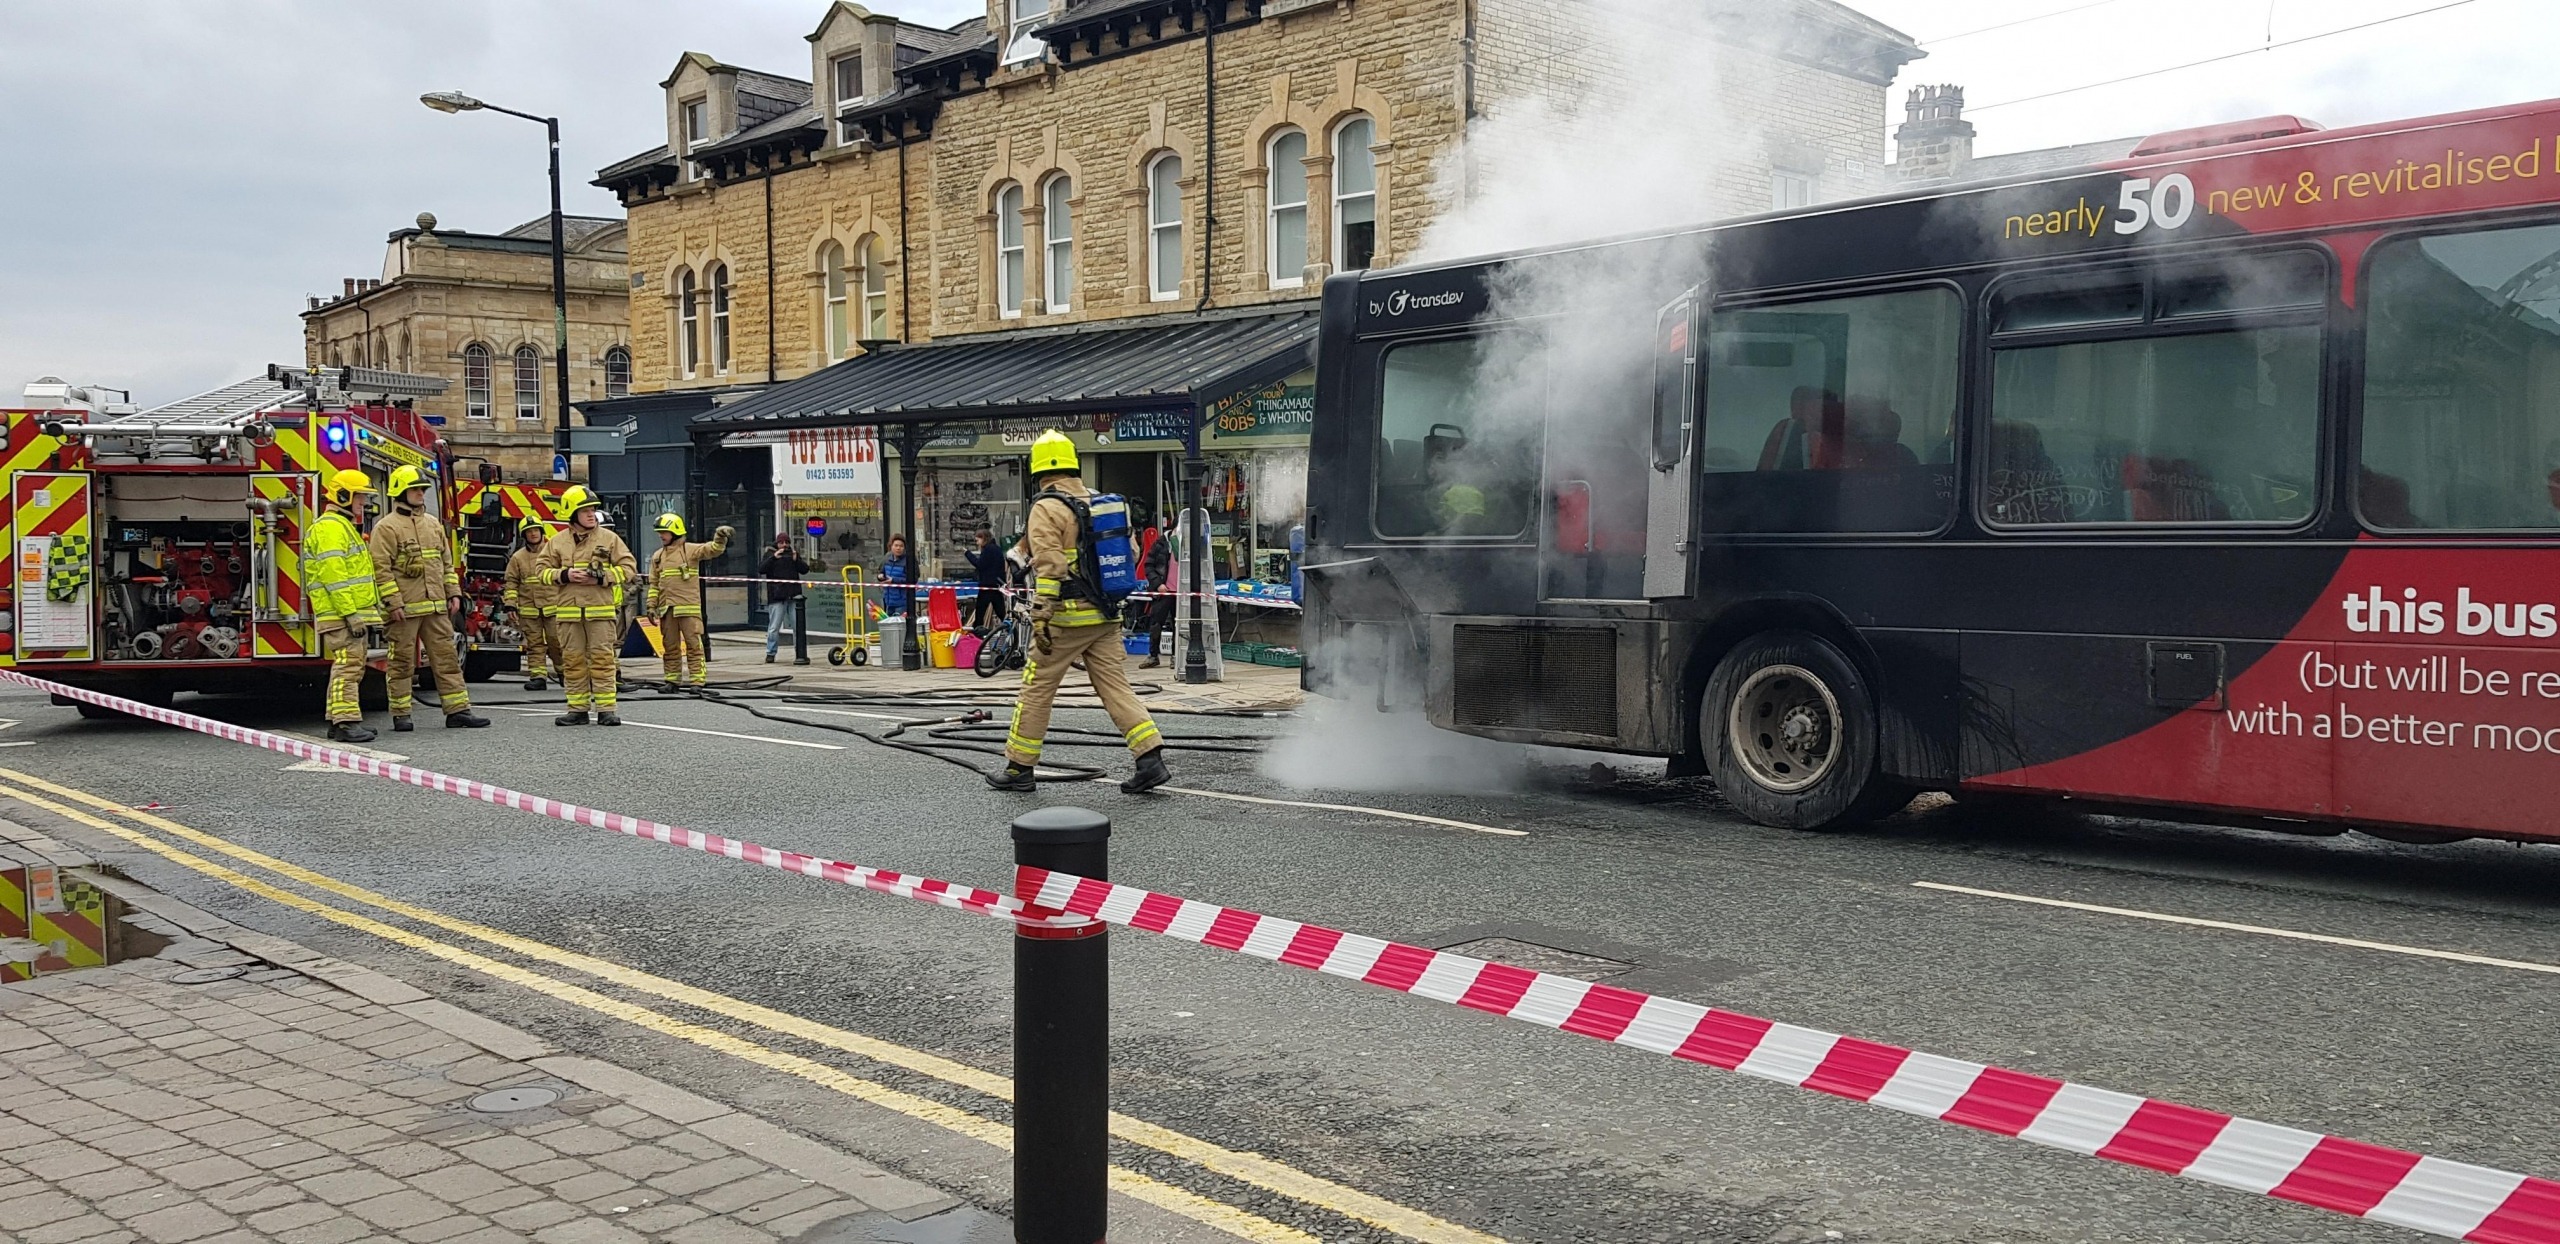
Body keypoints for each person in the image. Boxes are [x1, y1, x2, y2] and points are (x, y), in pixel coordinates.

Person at [988, 430, 1169, 795]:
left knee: (1036, 689)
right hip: (1106, 617)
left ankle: (1019, 767)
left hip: (1065, 620)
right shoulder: (1104, 504)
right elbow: (1130, 555)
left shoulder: (1046, 508)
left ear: (1038, 469)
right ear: (1073, 463)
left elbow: (1051, 568)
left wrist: (1040, 616)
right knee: (1116, 687)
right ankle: (1150, 759)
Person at [368, 465, 489, 731]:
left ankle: (458, 710)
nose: (422, 494)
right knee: (401, 661)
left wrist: (453, 593)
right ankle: (401, 714)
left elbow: (446, 563)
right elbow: (381, 569)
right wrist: (393, 602)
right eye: (416, 490)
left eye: (423, 489)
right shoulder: (386, 528)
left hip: (436, 607)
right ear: (400, 492)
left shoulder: (432, 524)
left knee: (447, 658)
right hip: (405, 609)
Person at [536, 486, 639, 726]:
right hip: (569, 615)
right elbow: (540, 571)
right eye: (586, 510)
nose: (592, 514)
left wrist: (602, 577)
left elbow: (628, 569)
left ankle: (606, 709)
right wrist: (565, 575)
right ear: (572, 514)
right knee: (572, 661)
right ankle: (577, 709)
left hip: (600, 612)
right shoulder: (557, 542)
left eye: (593, 510)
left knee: (603, 659)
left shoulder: (609, 539)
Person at [307, 469, 386, 743]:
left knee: (350, 666)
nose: (364, 505)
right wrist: (351, 614)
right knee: (348, 667)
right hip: (341, 614)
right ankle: (346, 723)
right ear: (343, 496)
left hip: (345, 613)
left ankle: (338, 720)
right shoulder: (330, 529)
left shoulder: (340, 527)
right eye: (360, 499)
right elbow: (334, 576)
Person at [648, 514, 732, 691]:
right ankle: (672, 681)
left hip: (689, 609)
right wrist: (651, 606)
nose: (661, 536)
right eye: (660, 532)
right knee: (670, 648)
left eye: (664, 532)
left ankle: (697, 681)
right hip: (667, 610)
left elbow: (714, 549)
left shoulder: (690, 550)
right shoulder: (658, 557)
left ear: (676, 532)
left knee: (694, 646)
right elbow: (654, 585)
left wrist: (720, 535)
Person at [503, 518, 559, 691]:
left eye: (536, 530)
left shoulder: (554, 552)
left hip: (553, 607)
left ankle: (566, 673)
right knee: (534, 645)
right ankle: (538, 677)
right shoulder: (518, 558)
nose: (533, 534)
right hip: (529, 609)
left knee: (557, 641)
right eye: (529, 531)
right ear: (524, 535)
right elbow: (511, 582)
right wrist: (511, 605)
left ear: (542, 532)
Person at [760, 533, 808, 663]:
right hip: (777, 596)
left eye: (787, 542)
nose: (785, 545)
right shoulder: (770, 554)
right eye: (782, 543)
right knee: (774, 627)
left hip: (793, 595)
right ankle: (770, 653)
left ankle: (800, 652)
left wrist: (796, 559)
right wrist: (774, 558)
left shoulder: (792, 554)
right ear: (777, 543)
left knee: (797, 626)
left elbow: (805, 569)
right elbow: (761, 569)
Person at [1138, 513, 1174, 669]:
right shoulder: (1160, 544)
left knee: (1178, 625)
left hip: (1181, 591)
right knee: (1156, 623)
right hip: (1163, 590)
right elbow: (1149, 566)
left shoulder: (1189, 545)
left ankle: (1176, 655)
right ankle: (1153, 655)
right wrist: (1158, 584)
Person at [963, 527, 1009, 633]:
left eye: (978, 540)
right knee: (1000, 611)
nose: (977, 543)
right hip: (996, 585)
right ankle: (1010, 629)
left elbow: (980, 565)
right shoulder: (997, 549)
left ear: (984, 539)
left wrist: (968, 554)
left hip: (987, 585)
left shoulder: (988, 550)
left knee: (980, 612)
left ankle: (977, 633)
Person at [880, 533, 915, 645]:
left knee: (900, 629)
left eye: (901, 546)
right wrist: (880, 577)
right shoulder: (886, 558)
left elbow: (912, 580)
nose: (898, 548)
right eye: (896, 545)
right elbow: (880, 572)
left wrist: (894, 580)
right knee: (889, 629)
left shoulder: (909, 561)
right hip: (889, 600)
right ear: (891, 546)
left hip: (902, 601)